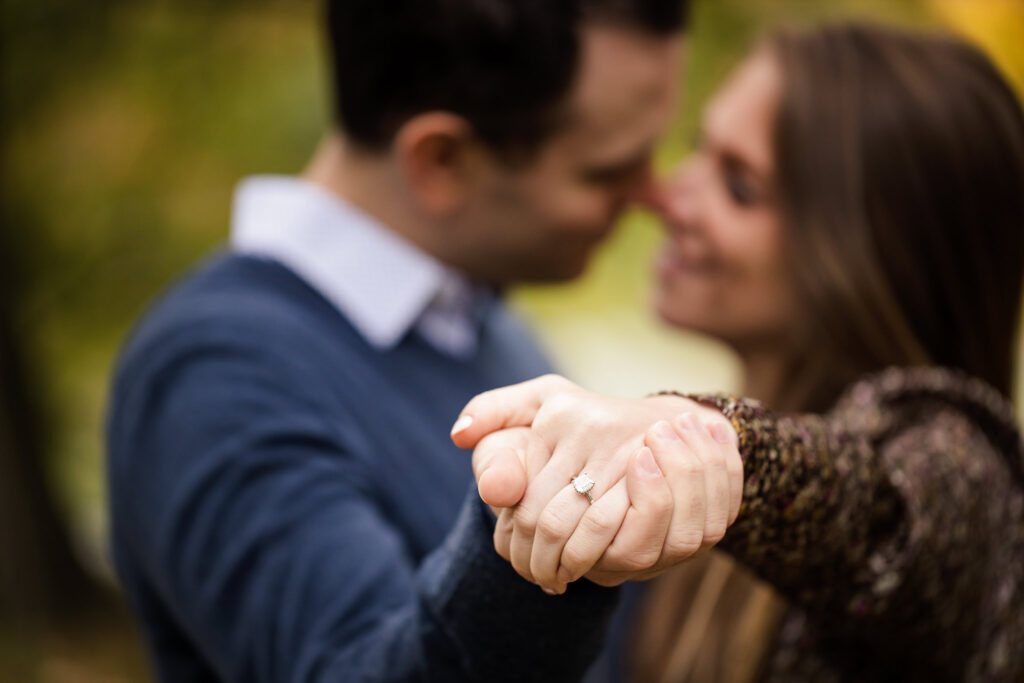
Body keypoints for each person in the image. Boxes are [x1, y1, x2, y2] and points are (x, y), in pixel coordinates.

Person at [105, 0, 700, 681]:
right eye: (606, 171)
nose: (658, 194)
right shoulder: (211, 374)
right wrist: (548, 537)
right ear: (442, 160)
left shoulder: (475, 319)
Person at [453, 22, 1024, 681]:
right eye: (700, 149)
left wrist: (708, 440)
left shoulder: (960, 471)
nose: (669, 196)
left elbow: (868, 513)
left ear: (871, 253)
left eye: (739, 185)